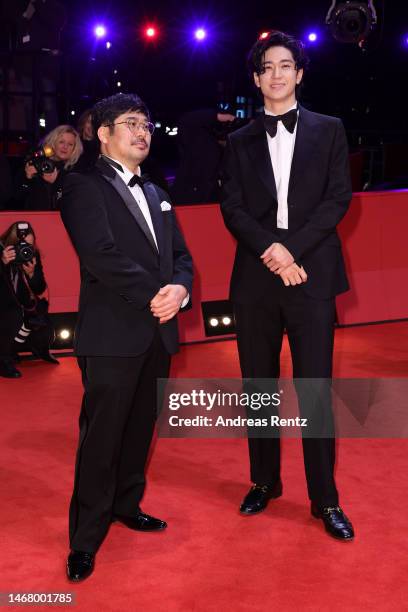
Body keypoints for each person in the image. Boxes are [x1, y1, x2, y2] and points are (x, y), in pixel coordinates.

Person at [220, 31, 354, 540]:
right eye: (266, 68)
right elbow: (232, 206)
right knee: (259, 387)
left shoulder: (330, 129)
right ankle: (264, 481)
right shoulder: (237, 141)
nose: (276, 75)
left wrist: (291, 250)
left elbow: (337, 199)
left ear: (299, 73)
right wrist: (271, 253)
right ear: (256, 80)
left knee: (314, 390)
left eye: (285, 65)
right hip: (257, 278)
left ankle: (325, 499)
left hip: (311, 273)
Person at [60, 93, 193, 582]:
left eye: (147, 124)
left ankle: (126, 505)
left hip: (157, 332)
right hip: (112, 334)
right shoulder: (81, 186)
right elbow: (100, 255)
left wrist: (180, 288)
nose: (143, 132)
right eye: (131, 123)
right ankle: (85, 538)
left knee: (140, 430)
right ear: (104, 133)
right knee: (101, 439)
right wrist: (159, 293)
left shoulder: (158, 190)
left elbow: (181, 254)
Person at [0, 221, 58, 378]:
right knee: (12, 316)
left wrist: (32, 273)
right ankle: (4, 360)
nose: (25, 249)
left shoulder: (31, 254)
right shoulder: (1, 251)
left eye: (30, 246)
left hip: (24, 302)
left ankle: (39, 349)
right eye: (22, 245)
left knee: (42, 318)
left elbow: (39, 288)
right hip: (4, 304)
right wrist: (3, 263)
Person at [171, 108, 236, 204]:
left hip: (211, 200)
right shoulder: (199, 140)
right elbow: (185, 121)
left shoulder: (226, 151)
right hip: (189, 197)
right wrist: (217, 117)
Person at [15, 124, 83, 210]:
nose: (65, 147)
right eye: (61, 142)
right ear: (53, 143)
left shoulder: (75, 173)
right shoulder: (37, 162)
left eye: (70, 144)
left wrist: (53, 185)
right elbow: (17, 197)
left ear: (74, 149)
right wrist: (27, 178)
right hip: (33, 218)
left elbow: (73, 205)